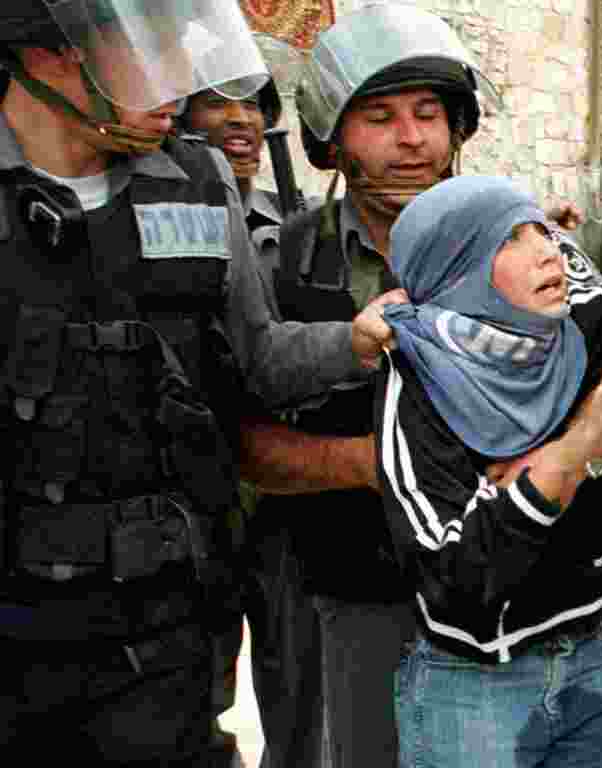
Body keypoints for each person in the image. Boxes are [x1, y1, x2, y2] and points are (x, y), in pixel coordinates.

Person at [0, 2, 395, 764]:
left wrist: (353, 342)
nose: (180, 76)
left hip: (170, 631)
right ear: (48, 53)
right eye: (150, 46)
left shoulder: (196, 178)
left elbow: (255, 361)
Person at [235, 6, 529, 767]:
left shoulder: (517, 251)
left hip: (495, 593)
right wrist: (383, 464)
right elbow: (247, 448)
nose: (411, 140)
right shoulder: (285, 267)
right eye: (381, 117)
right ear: (333, 139)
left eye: (430, 115)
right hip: (340, 593)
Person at [368, 172, 602, 768]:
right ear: (454, 272)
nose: (546, 250)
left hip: (587, 661)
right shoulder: (416, 380)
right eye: (509, 240)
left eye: (540, 229)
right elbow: (449, 575)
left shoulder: (572, 329)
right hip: (475, 689)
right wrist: (562, 465)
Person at [175, 77, 286, 768]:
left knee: (292, 674)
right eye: (217, 102)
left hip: (282, 489)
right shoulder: (165, 212)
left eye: (252, 105)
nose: (240, 120)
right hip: (201, 481)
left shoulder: (295, 224)